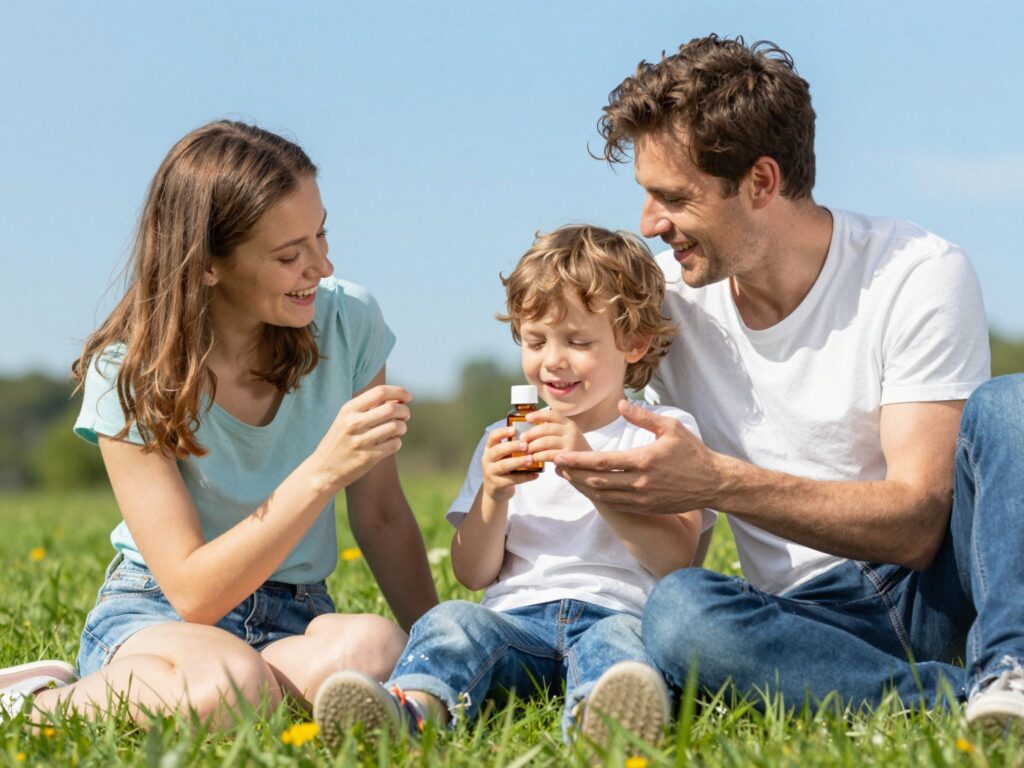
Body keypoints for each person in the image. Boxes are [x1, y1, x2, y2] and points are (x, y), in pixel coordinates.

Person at [552, 34, 1024, 732]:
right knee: (682, 613)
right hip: (802, 619)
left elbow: (921, 524)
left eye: (673, 198)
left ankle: (1012, 671)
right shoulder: (668, 314)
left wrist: (716, 481)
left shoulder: (916, 272)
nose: (650, 224)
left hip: (941, 591)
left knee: (1011, 405)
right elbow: (565, 358)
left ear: (762, 183)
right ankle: (965, 701)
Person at [0, 121, 438, 725]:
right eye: (290, 255)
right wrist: (319, 473)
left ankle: (244, 692)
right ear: (207, 264)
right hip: (163, 617)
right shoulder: (128, 372)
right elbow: (193, 590)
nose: (322, 264)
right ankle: (37, 703)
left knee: (378, 649)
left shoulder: (349, 321)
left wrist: (439, 660)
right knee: (229, 683)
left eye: (321, 233)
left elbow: (382, 514)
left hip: (294, 613)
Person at [310, 225, 715, 750]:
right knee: (452, 620)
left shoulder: (662, 432)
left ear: (633, 342)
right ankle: (412, 711)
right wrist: (494, 496)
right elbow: (472, 572)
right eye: (536, 340)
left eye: (578, 341)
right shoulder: (504, 436)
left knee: (623, 645)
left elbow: (675, 560)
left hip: (617, 613)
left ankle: (608, 722)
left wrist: (587, 471)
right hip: (516, 626)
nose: (553, 360)